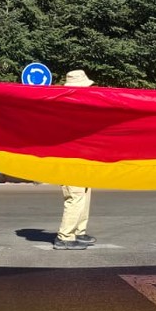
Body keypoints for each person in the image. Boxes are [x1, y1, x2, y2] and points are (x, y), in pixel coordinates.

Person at [54, 69, 98, 250]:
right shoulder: (64, 108)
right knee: (76, 195)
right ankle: (64, 236)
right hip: (69, 158)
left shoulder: (78, 105)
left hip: (81, 156)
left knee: (85, 193)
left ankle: (79, 231)